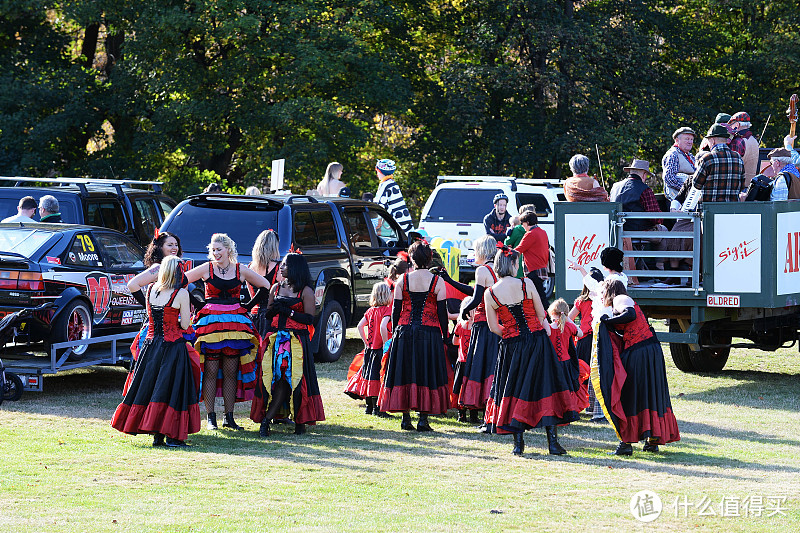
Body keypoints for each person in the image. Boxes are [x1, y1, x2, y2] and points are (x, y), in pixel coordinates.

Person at [484, 245, 579, 456]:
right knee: (547, 387)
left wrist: (509, 335)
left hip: (512, 345)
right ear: (513, 264)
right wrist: (542, 331)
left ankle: (519, 445)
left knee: (515, 390)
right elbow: (540, 313)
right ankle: (553, 444)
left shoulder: (489, 293)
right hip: (536, 341)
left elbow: (493, 327)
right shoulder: (526, 283)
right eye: (517, 263)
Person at [184, 233, 271, 432]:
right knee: (211, 371)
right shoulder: (207, 267)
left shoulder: (240, 269)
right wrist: (198, 303)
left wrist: (248, 305)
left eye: (219, 250)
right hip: (211, 325)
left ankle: (228, 417)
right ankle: (210, 417)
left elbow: (265, 286)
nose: (215, 253)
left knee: (232, 371)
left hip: (235, 324)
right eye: (213, 250)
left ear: (228, 250)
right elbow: (181, 280)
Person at [111, 256, 201, 447]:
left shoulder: (151, 289)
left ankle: (157, 436)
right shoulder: (181, 294)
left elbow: (151, 317)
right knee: (172, 389)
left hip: (150, 346)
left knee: (152, 388)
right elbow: (185, 324)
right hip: (173, 347)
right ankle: (172, 436)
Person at [593, 279, 680, 455]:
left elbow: (630, 314)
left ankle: (626, 443)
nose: (602, 297)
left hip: (641, 351)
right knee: (647, 392)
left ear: (610, 291)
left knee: (629, 393)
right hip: (648, 350)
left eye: (603, 293)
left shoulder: (620, 298)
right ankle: (651, 440)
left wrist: (608, 321)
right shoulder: (622, 300)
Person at [378, 240, 451, 431]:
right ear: (429, 258)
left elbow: (396, 310)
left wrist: (395, 332)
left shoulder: (403, 279)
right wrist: (445, 336)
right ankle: (423, 419)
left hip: (405, 331)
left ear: (411, 258)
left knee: (405, 370)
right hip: (430, 331)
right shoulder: (438, 281)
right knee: (425, 371)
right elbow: (442, 313)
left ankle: (406, 417)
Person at [253, 253, 326, 436]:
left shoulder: (306, 291)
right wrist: (273, 311)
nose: (281, 267)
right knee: (276, 380)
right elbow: (268, 316)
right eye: (281, 265)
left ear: (295, 268)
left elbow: (309, 318)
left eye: (285, 265)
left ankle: (298, 422)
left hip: (297, 341)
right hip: (276, 339)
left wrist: (289, 313)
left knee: (296, 381)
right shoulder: (276, 288)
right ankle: (268, 419)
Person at [452, 236, 500, 426]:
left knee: (479, 367)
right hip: (496, 324)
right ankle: (492, 411)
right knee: (493, 367)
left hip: (482, 323)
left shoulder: (482, 270)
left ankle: (479, 409)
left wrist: (463, 310)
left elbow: (476, 298)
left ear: (481, 251)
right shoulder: (497, 269)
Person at [610, 158, 666, 282]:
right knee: (664, 230)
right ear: (644, 174)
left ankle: (640, 268)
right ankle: (660, 269)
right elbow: (657, 218)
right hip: (638, 232)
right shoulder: (644, 189)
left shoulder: (615, 187)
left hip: (617, 232)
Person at [345, 282, 392, 416]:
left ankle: (369, 407)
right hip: (379, 350)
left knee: (368, 377)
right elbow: (383, 327)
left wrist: (366, 342)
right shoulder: (387, 310)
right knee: (378, 378)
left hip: (370, 349)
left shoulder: (370, 311)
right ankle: (378, 409)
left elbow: (360, 326)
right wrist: (385, 344)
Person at [673, 124, 746, 209]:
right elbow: (742, 186)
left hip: (709, 212)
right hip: (731, 210)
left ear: (712, 140)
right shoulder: (738, 158)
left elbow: (696, 185)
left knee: (680, 223)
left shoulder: (707, 159)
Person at [547, 298, 584, 411]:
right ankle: (567, 410)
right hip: (566, 362)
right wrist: (568, 319)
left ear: (552, 313)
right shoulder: (569, 327)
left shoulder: (548, 328)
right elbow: (581, 333)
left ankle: (554, 410)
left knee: (553, 388)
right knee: (567, 388)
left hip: (552, 363)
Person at [514, 211, 550, 304]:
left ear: (528, 223)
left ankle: (549, 317)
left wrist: (504, 250)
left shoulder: (530, 234)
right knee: (540, 296)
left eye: (522, 223)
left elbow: (518, 250)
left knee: (539, 298)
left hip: (533, 270)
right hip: (542, 268)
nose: (522, 225)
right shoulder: (543, 232)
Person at [374, 159, 414, 233]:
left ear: (379, 171)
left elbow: (379, 206)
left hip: (398, 228)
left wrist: (377, 224)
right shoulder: (392, 183)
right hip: (405, 226)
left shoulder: (385, 185)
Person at [452, 301, 474, 423]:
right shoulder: (477, 326)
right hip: (474, 362)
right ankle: (474, 413)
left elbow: (454, 342)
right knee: (472, 386)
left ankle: (461, 414)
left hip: (461, 360)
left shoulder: (460, 325)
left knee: (461, 386)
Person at [662, 127, 697, 201]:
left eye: (691, 139)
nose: (690, 142)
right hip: (676, 199)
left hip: (687, 197)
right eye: (687, 139)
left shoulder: (690, 156)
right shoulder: (673, 154)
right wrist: (687, 189)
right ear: (677, 140)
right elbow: (669, 178)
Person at [728, 112, 760, 187]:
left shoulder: (737, 141)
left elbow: (732, 167)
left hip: (737, 187)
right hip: (749, 186)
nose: (730, 127)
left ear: (737, 125)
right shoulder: (754, 140)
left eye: (731, 124)